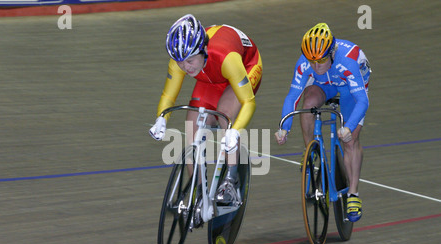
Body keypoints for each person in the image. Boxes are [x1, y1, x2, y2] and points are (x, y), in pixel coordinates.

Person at [150, 14, 262, 205]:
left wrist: (233, 132)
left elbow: (249, 102)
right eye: (180, 62)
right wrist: (161, 118)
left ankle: (231, 182)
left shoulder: (227, 58)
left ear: (202, 50)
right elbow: (168, 96)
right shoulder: (181, 59)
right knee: (191, 124)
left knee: (224, 115)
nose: (185, 67)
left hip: (244, 66)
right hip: (210, 75)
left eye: (190, 61)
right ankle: (199, 190)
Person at [275, 23, 371, 222]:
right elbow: (293, 96)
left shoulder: (348, 61)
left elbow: (362, 101)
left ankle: (353, 194)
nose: (316, 66)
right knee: (308, 102)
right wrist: (284, 128)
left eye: (321, 60)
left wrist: (349, 127)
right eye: (312, 62)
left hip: (349, 86)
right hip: (323, 84)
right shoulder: (305, 63)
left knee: (350, 140)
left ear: (332, 53)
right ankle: (309, 149)